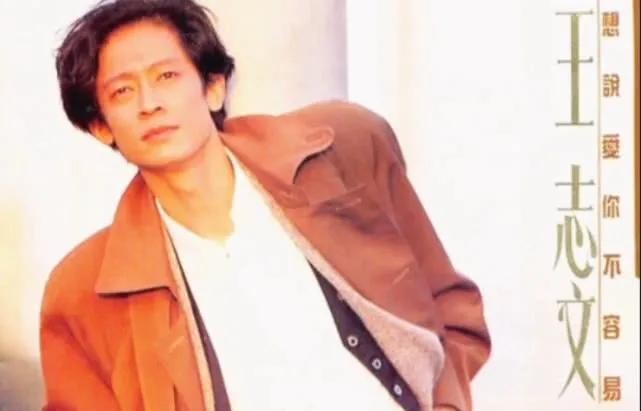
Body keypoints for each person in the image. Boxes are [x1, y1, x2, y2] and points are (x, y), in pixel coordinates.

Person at [40, 1, 491, 410]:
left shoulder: (339, 151)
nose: (150, 104)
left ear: (213, 88)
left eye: (167, 76)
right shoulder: (81, 292)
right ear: (101, 126)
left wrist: (447, 404)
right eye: (122, 91)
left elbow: (451, 305)